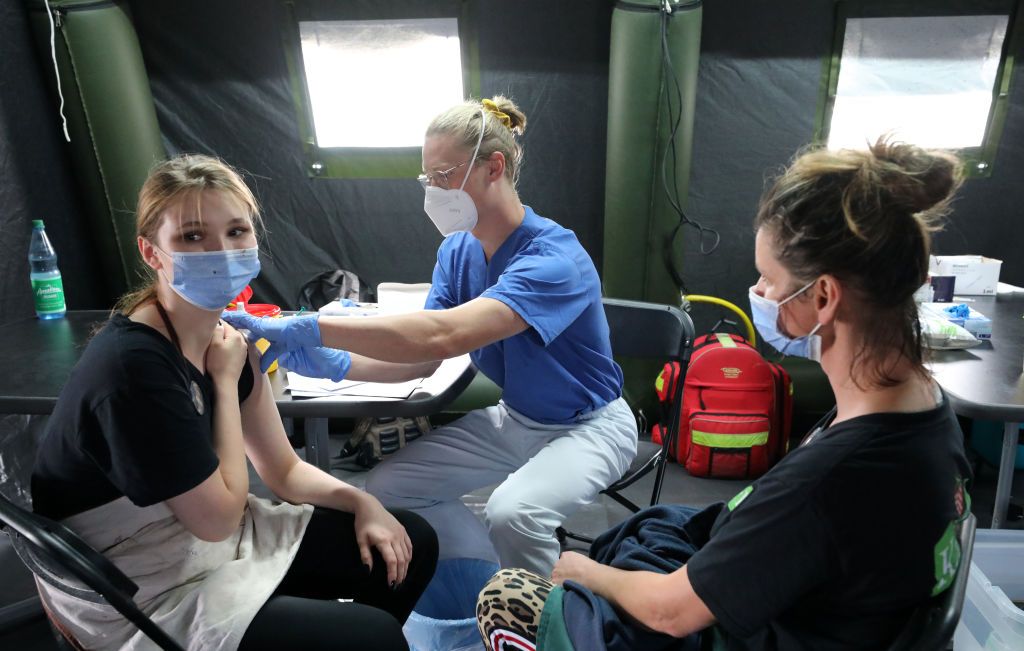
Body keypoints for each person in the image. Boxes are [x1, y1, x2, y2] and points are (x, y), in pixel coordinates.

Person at [475, 138, 974, 651]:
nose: (757, 291)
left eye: (768, 278)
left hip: (754, 628)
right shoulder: (924, 408)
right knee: (652, 529)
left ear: (822, 296)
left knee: (508, 594)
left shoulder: (832, 477)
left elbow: (670, 612)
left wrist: (587, 573)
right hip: (825, 613)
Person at [31, 154, 438, 651]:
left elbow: (285, 471)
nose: (220, 252)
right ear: (151, 252)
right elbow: (217, 519)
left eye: (237, 232)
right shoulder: (135, 370)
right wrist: (224, 384)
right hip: (137, 579)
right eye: (192, 236)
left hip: (203, 539)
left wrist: (363, 501)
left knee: (410, 543)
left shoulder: (226, 339)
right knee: (369, 636)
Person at [223, 96, 638, 575]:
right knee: (389, 490)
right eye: (427, 178)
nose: (432, 191)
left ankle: (541, 626)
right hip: (519, 420)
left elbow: (441, 336)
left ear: (493, 167)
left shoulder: (554, 259)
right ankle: (485, 583)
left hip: (590, 425)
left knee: (514, 514)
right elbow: (417, 362)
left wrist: (314, 327)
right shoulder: (458, 252)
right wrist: (334, 362)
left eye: (443, 176)